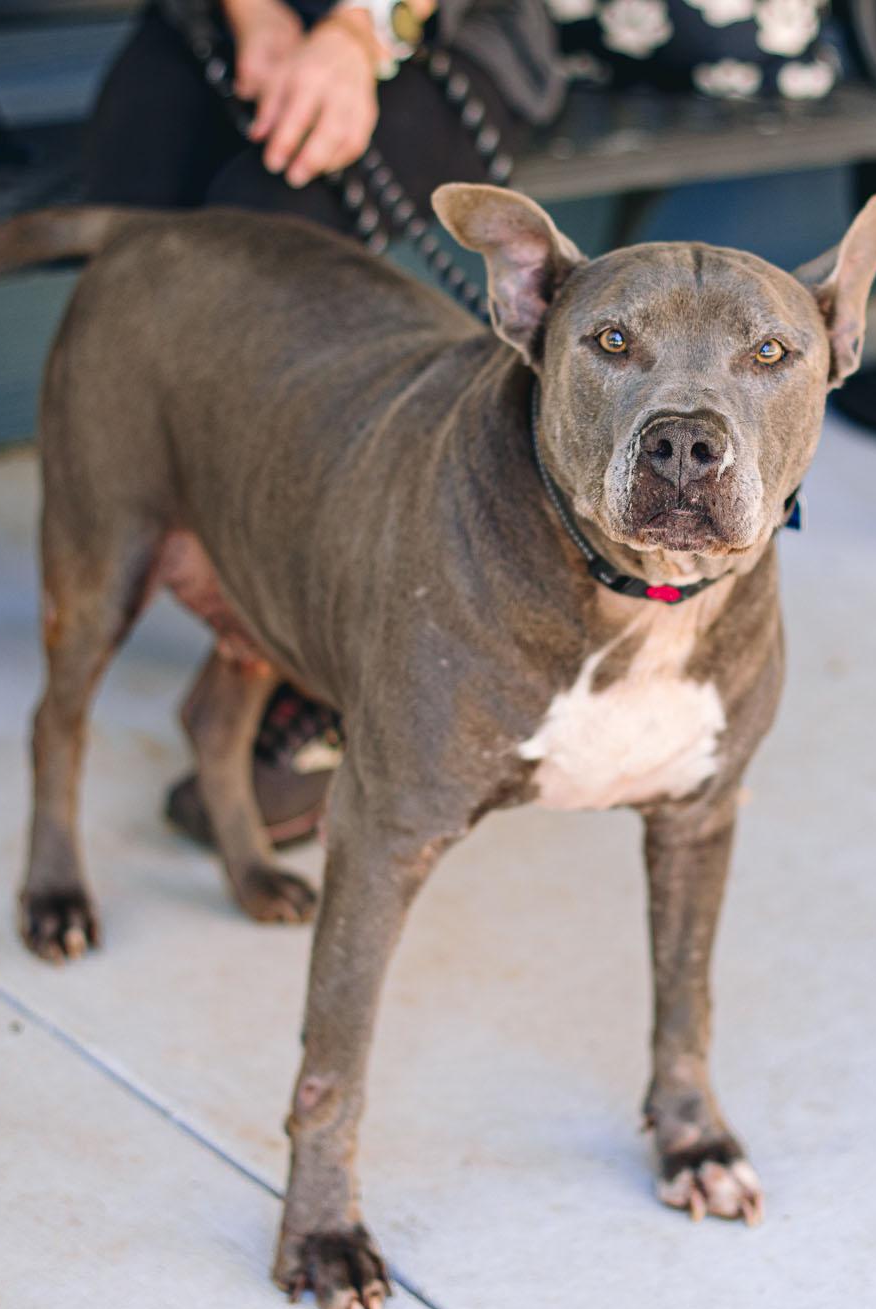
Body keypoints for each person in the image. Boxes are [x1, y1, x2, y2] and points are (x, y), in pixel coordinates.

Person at [81, 0, 562, 848]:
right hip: (212, 20)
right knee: (135, 217)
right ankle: (201, 544)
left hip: (447, 32)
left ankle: (304, 662)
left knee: (273, 220)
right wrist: (255, 15)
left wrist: (359, 31)